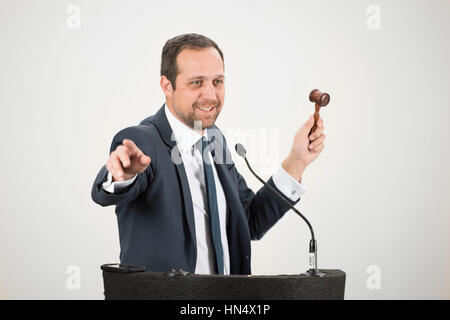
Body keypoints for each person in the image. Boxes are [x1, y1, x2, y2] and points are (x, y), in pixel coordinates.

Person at [91, 33, 326, 275]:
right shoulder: (143, 141)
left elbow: (249, 221)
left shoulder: (215, 140)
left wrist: (297, 161)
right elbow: (105, 191)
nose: (211, 95)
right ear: (167, 86)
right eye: (196, 82)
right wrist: (122, 176)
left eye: (217, 82)